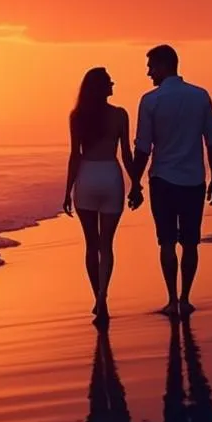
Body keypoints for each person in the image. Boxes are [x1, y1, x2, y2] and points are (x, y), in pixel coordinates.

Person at [127, 44, 212, 317]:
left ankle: (171, 299)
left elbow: (143, 147)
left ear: (164, 66)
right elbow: (211, 141)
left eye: (151, 67)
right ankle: (185, 298)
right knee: (191, 242)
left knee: (166, 241)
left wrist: (135, 183)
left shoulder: (150, 100)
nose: (148, 73)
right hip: (193, 179)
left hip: (163, 180)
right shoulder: (200, 96)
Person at [63, 67, 133, 321]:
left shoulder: (77, 116)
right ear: (102, 88)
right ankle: (103, 295)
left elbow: (75, 155)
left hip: (87, 178)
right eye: (109, 82)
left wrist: (67, 190)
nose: (113, 85)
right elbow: (126, 154)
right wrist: (136, 182)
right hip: (111, 177)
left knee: (91, 245)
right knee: (107, 245)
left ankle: (98, 299)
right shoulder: (120, 115)